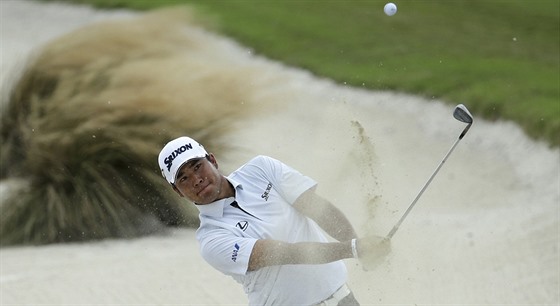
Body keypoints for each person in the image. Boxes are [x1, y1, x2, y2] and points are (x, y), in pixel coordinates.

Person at [158, 136, 390, 306]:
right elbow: (284, 253)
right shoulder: (211, 240)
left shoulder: (262, 169)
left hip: (343, 300)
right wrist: (352, 249)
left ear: (213, 160)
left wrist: (361, 246)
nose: (196, 180)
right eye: (183, 178)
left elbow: (316, 208)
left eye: (197, 166)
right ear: (178, 191)